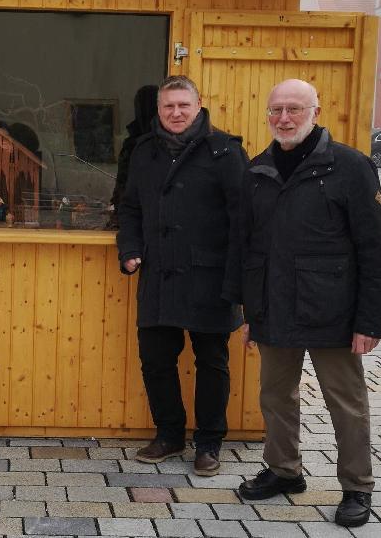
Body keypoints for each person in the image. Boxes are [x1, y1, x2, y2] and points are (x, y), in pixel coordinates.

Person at [234, 79, 381, 528]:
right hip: (274, 309)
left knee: (346, 402)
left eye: (294, 110)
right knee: (274, 396)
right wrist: (250, 311)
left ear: (316, 112)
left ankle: (357, 486)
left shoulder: (350, 167)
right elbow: (249, 248)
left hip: (334, 313)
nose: (284, 118)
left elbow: (375, 250)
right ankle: (285, 471)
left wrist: (369, 321)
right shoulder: (258, 170)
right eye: (276, 110)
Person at [118, 75, 246, 476]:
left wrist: (238, 277)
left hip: (210, 278)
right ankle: (170, 434)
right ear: (158, 109)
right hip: (159, 274)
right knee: (156, 359)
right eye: (168, 106)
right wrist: (131, 250)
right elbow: (129, 208)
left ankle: (209, 442)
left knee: (212, 361)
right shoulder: (143, 152)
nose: (175, 113)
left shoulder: (225, 151)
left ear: (198, 105)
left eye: (183, 106)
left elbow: (244, 219)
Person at [107, 84, 158, 229]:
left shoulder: (138, 144)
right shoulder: (133, 142)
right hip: (135, 219)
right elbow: (123, 182)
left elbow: (125, 184)